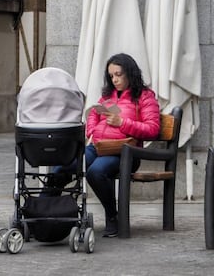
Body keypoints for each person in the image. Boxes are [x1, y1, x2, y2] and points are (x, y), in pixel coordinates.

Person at [50, 53, 160, 238]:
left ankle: (112, 216)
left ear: (130, 73)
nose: (115, 79)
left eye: (119, 74)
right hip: (98, 147)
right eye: (111, 76)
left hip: (124, 151)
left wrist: (122, 123)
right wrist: (92, 130)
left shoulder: (144, 96)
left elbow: (153, 129)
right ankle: (45, 214)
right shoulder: (109, 96)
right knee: (62, 166)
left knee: (95, 172)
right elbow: (94, 113)